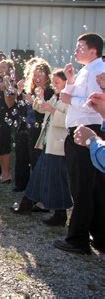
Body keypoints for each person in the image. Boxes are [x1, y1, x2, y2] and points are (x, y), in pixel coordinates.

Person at [54, 32, 105, 255]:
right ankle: (98, 235)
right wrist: (71, 81)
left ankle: (78, 238)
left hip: (86, 132)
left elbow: (94, 103)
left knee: (82, 187)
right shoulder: (87, 70)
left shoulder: (97, 70)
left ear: (93, 49)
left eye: (80, 46)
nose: (76, 50)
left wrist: (69, 99)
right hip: (80, 131)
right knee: (91, 187)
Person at [11, 69, 72, 226]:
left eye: (57, 82)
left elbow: (69, 121)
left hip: (58, 144)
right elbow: (41, 108)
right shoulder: (56, 95)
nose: (54, 85)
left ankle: (58, 213)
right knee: (40, 174)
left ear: (66, 82)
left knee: (57, 179)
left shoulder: (68, 98)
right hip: (48, 142)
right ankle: (29, 205)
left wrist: (52, 110)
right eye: (53, 82)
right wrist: (39, 98)